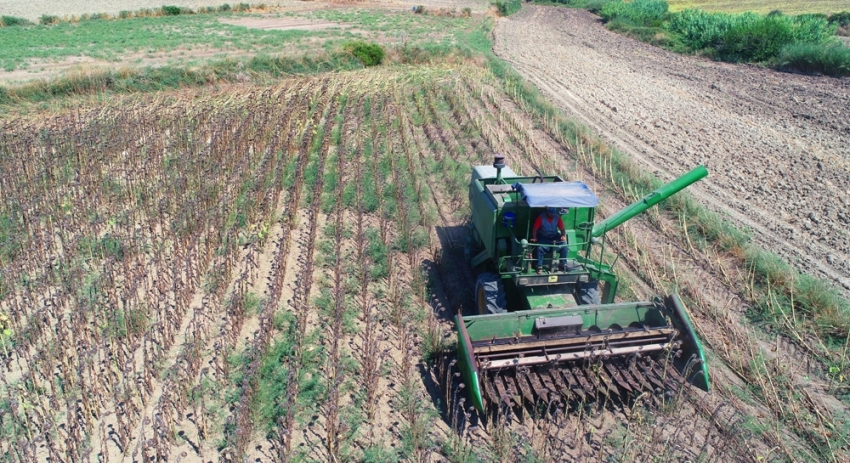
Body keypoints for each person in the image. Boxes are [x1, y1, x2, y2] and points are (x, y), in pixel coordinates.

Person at [530, 207, 567, 274]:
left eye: (553, 214)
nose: (552, 215)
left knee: (564, 246)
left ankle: (562, 264)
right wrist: (534, 237)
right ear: (547, 213)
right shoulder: (541, 218)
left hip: (554, 236)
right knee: (540, 248)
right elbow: (535, 229)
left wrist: (563, 236)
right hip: (544, 236)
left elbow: (562, 229)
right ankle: (539, 266)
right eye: (550, 214)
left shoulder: (557, 218)